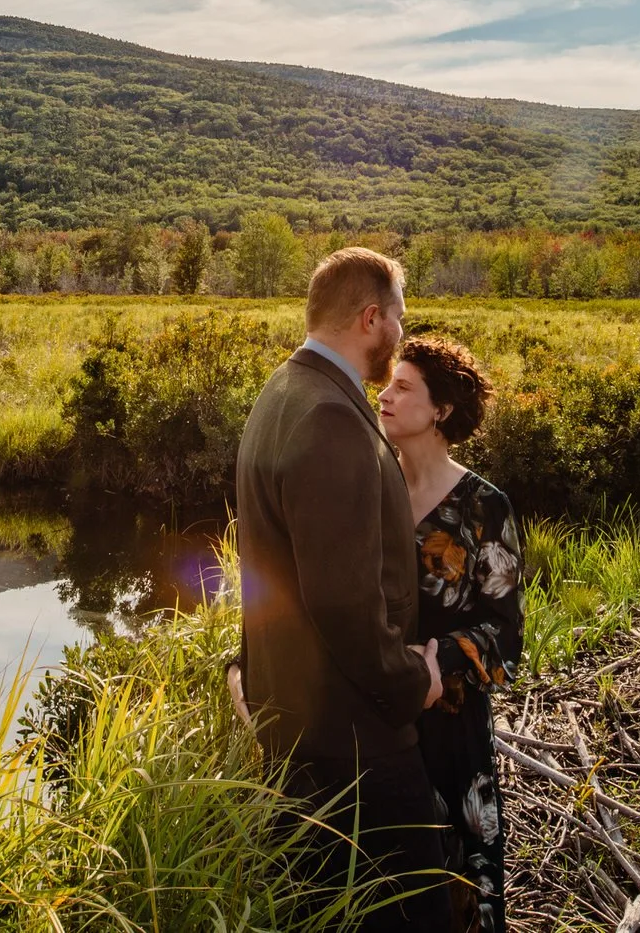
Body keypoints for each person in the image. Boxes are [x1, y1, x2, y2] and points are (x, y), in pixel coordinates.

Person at [233, 247, 450, 933]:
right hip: (353, 744)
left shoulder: (281, 392)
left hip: (300, 731)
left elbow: (273, 568)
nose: (401, 333)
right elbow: (341, 599)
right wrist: (414, 682)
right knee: (419, 918)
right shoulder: (327, 416)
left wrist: (246, 665)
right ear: (369, 317)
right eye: (398, 318)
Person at [377, 336, 522, 933]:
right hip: (382, 718)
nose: (383, 395)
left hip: (452, 725)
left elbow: (505, 636)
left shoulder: (485, 507)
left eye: (402, 387)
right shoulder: (374, 489)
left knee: (458, 885)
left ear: (440, 411)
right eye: (386, 383)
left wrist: (440, 668)